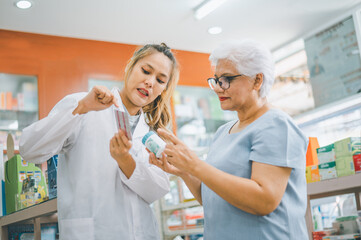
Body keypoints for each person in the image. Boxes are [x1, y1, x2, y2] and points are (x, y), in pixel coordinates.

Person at [150, 39, 309, 240]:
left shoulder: (276, 125)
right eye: (215, 80)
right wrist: (186, 171)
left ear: (257, 80)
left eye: (226, 79)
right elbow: (213, 199)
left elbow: (264, 200)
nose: (217, 88)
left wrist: (196, 165)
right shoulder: (223, 132)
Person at [20, 43, 179, 240]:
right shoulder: (83, 105)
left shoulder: (152, 133)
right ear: (131, 66)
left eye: (160, 80)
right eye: (146, 71)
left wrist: (125, 161)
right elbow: (29, 149)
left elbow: (157, 190)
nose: (150, 82)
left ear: (163, 89)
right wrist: (81, 109)